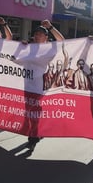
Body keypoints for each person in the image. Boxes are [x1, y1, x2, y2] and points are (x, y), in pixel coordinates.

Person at [26, 20, 65, 151]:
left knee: (34, 113)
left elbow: (61, 41)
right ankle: (37, 132)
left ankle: (33, 138)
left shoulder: (49, 49)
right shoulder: (28, 47)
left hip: (38, 87)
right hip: (26, 85)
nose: (37, 36)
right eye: (36, 34)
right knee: (30, 113)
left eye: (41, 34)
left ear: (46, 38)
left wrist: (51, 27)